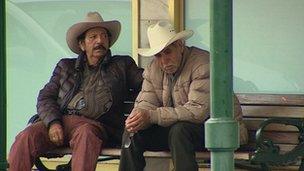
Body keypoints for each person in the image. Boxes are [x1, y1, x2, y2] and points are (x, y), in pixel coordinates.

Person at [8, 11, 143, 171]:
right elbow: (45, 98)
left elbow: (148, 85)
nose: (100, 41)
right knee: (26, 136)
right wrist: (53, 122)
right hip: (61, 121)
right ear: (82, 45)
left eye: (104, 36)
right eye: (93, 37)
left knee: (86, 134)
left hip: (95, 126)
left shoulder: (122, 65)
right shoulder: (65, 66)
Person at [119, 21, 248, 171]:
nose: (163, 60)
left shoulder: (202, 64)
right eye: (158, 55)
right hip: (180, 134)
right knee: (133, 131)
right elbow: (146, 103)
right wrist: (138, 117)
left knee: (180, 131)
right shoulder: (153, 69)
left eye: (168, 52)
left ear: (180, 46)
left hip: (223, 131)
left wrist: (152, 115)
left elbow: (197, 111)